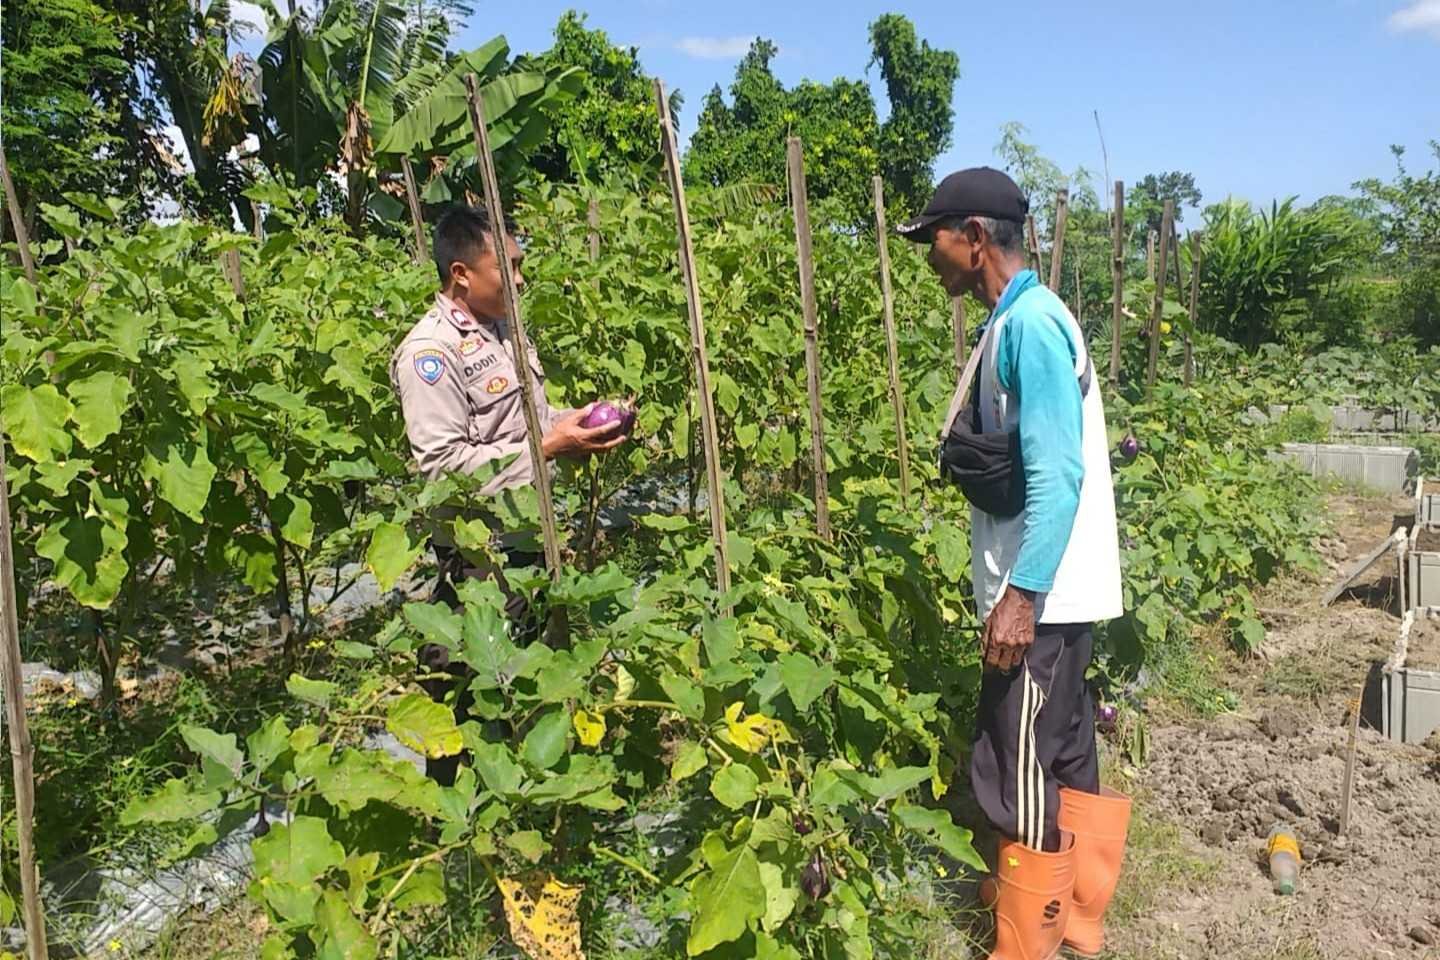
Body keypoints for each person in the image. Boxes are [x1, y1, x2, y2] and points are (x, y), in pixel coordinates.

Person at [898, 168, 1128, 960]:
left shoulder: (1030, 326)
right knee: (1063, 749)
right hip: (1061, 592)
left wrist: (1021, 595)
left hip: (1043, 596)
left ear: (973, 237)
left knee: (1018, 764)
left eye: (931, 239)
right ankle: (1078, 921)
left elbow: (1059, 473)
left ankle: (1026, 945)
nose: (927, 257)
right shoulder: (1019, 318)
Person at [390, 204, 626, 783]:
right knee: (469, 696)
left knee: (521, 681)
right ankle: (457, 814)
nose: (520, 281)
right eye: (509, 267)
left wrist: (577, 423)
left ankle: (519, 798)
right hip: (479, 553)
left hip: (525, 537)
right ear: (461, 274)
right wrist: (550, 447)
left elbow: (527, 423)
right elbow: (443, 468)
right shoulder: (430, 353)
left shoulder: (502, 331)